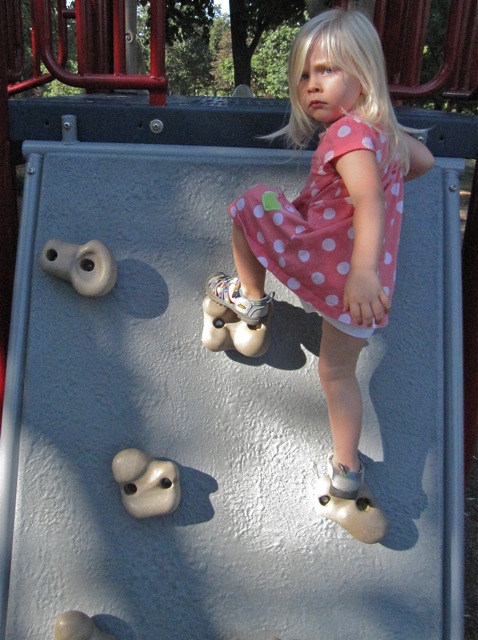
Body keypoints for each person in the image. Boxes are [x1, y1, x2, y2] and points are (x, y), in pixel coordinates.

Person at [206, 8, 434, 500]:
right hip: (363, 296)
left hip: (339, 272)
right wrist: (384, 131)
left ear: (365, 75)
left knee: (254, 203)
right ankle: (346, 470)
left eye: (327, 70)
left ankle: (251, 300)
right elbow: (425, 161)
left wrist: (361, 268)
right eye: (304, 75)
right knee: (337, 373)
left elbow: (368, 199)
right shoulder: (380, 137)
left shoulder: (348, 134)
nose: (311, 85)